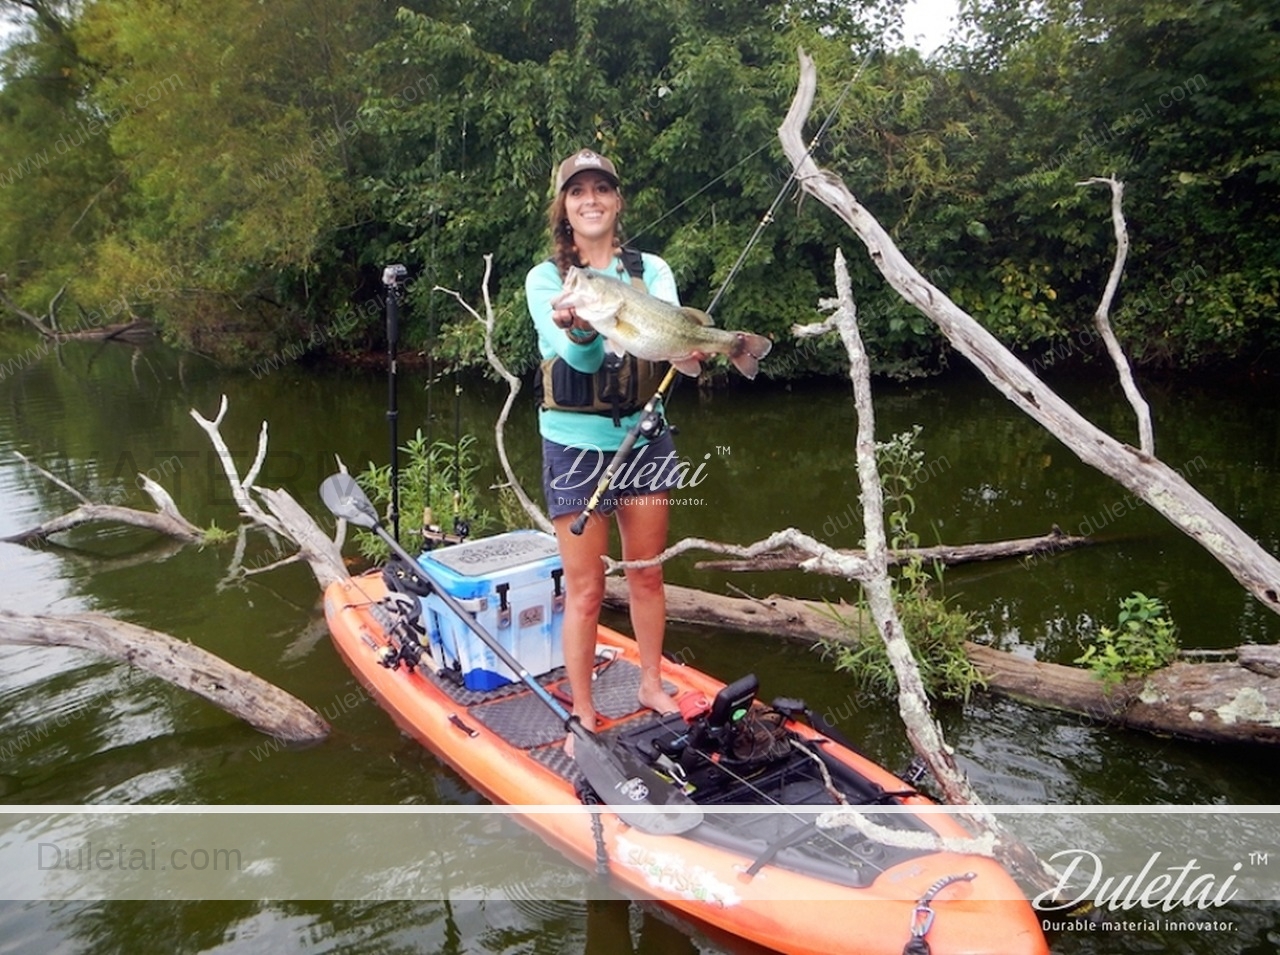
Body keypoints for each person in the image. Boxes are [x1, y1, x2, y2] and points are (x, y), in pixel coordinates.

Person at [525, 148, 691, 754]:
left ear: (617, 202)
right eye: (577, 191)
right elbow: (580, 359)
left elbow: (671, 336)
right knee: (587, 589)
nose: (590, 199)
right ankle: (585, 715)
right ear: (564, 209)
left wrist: (690, 351)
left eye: (601, 189)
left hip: (645, 438)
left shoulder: (653, 272)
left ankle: (650, 682)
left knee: (646, 573)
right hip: (575, 446)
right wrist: (582, 327)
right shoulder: (548, 282)